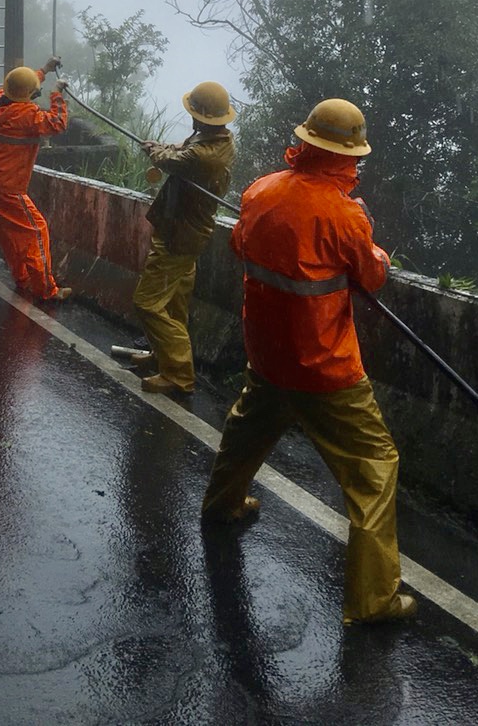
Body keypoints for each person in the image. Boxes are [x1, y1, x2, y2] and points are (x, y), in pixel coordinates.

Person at [200, 97, 416, 625]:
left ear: (306, 143)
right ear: (347, 156)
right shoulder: (345, 213)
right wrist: (375, 250)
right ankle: (373, 601)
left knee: (248, 429)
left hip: (268, 352)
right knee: (374, 468)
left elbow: (239, 245)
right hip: (325, 368)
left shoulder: (261, 190)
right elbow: (371, 276)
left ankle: (223, 505)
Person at [129, 80, 237, 396]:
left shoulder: (204, 157)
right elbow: (183, 149)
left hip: (180, 235)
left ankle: (177, 374)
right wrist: (164, 146)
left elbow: (172, 161)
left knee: (147, 302)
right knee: (175, 301)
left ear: (201, 116)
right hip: (185, 231)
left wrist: (155, 149)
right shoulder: (219, 138)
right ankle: (162, 356)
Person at [0, 57, 72, 302]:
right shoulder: (27, 115)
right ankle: (47, 290)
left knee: (9, 234)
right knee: (37, 230)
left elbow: (22, 84)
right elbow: (58, 123)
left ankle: (23, 278)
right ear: (29, 94)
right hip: (6, 187)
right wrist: (56, 94)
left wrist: (44, 70)